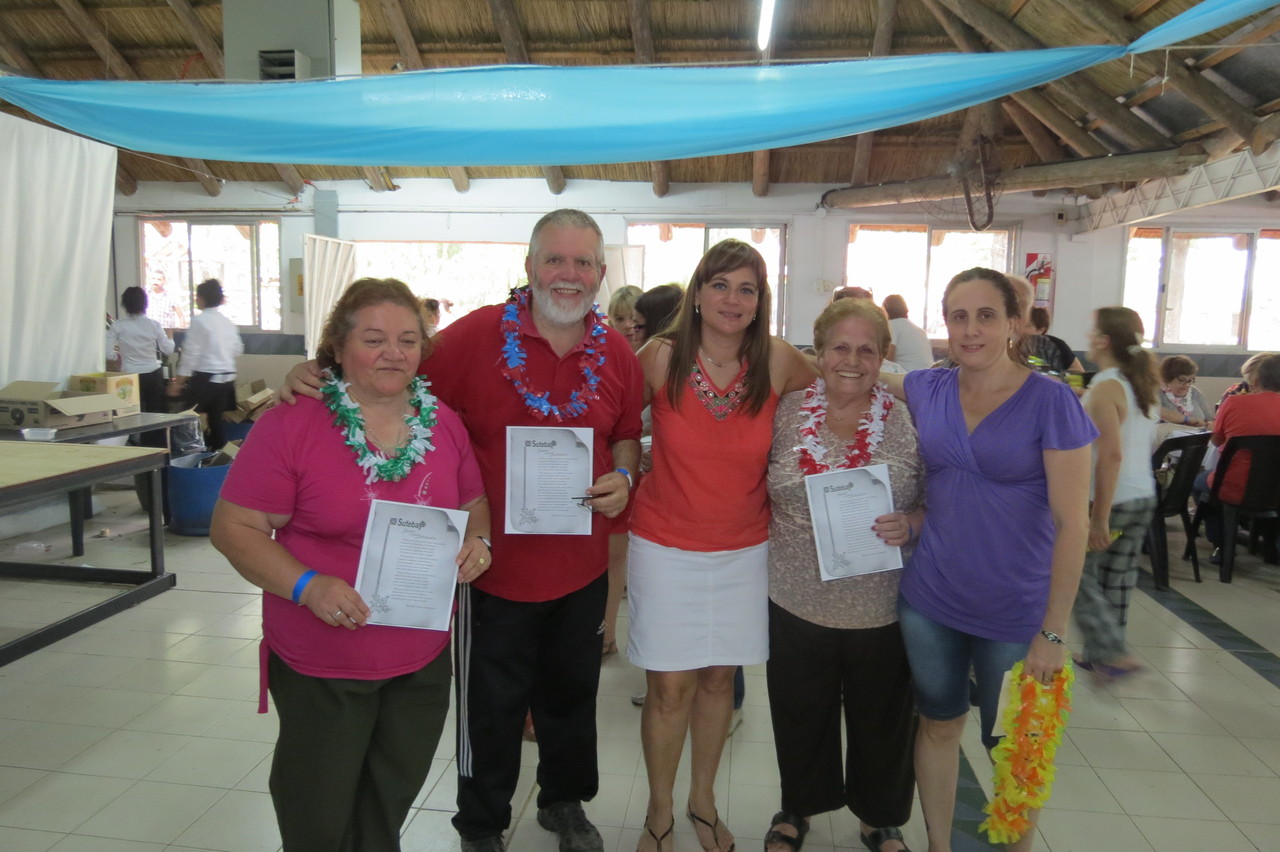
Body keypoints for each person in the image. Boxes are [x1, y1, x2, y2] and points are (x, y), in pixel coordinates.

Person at [283, 209, 644, 852]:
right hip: (489, 567)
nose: (568, 274)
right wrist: (314, 373)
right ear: (529, 266)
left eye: (583, 262)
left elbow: (624, 434)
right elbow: (387, 374)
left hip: (582, 565)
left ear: (600, 273)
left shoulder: (615, 351)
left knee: (572, 694)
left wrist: (623, 474)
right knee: (490, 706)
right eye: (554, 259)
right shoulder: (474, 337)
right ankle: (481, 824)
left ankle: (564, 802)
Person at [210, 277, 492, 851]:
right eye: (374, 339)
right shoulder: (293, 422)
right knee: (317, 810)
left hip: (418, 658)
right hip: (325, 659)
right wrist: (307, 585)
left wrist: (480, 543)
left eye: (408, 340)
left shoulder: (443, 423)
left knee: (388, 800)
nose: (394, 353)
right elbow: (233, 528)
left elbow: (474, 505)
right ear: (338, 347)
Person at [880, 267, 1095, 852]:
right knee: (938, 723)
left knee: (1014, 743)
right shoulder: (929, 387)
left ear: (1014, 323)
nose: (970, 330)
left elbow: (1073, 525)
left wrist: (1054, 630)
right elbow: (859, 370)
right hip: (931, 598)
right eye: (958, 317)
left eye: (985, 316)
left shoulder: (1051, 401)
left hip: (1015, 609)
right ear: (944, 325)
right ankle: (939, 845)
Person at [627, 239, 816, 852]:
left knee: (717, 681)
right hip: (664, 547)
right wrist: (625, 468)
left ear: (761, 301)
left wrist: (929, 384)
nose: (733, 300)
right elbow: (613, 421)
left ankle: (702, 802)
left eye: (747, 289)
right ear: (698, 294)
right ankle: (659, 812)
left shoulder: (778, 360)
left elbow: (844, 387)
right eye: (720, 285)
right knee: (669, 689)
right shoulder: (661, 357)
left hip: (744, 550)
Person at [763, 298, 924, 852]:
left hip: (881, 603)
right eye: (839, 348)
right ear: (818, 352)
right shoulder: (784, 411)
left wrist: (913, 521)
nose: (851, 361)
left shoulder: (906, 418)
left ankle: (879, 817)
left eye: (866, 350)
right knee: (799, 711)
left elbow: (942, 495)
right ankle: (798, 806)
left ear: (884, 357)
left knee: (883, 718)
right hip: (795, 597)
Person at [1071, 308, 1159, 680]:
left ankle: (1111, 653)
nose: (1088, 338)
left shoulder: (1106, 387)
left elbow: (1111, 455)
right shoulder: (1139, 384)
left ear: (1104, 340)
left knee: (1075, 574)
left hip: (1114, 499)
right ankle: (1104, 656)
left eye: (1092, 332)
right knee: (1117, 577)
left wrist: (1099, 518)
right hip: (1143, 495)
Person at [1192, 353, 1280, 558]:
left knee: (1199, 482)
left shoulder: (1234, 403)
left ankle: (1222, 545)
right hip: (1277, 490)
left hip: (1235, 488)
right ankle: (1271, 546)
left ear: (1256, 379)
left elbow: (1217, 440)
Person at [601, 283, 647, 656]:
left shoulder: (658, 359)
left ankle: (609, 634)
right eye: (621, 318)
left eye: (636, 319)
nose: (629, 326)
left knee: (622, 558)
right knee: (610, 555)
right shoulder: (604, 360)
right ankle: (605, 632)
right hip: (614, 470)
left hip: (647, 474)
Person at [168, 278, 244, 451]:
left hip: (206, 379)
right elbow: (238, 349)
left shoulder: (199, 321)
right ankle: (219, 455)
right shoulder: (227, 322)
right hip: (226, 380)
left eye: (197, 296)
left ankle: (185, 455)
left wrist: (178, 383)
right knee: (215, 420)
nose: (196, 299)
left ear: (202, 298)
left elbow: (190, 355)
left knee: (186, 418)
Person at [106, 285, 175, 435]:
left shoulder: (118, 325)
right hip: (152, 374)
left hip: (128, 376)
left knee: (129, 415)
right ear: (145, 303)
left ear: (125, 305)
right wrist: (170, 337)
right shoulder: (154, 325)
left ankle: (132, 442)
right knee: (155, 416)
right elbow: (168, 350)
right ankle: (154, 443)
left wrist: (117, 356)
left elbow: (107, 352)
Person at [1157, 355, 1214, 429]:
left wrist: (1210, 425)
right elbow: (1157, 413)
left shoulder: (1194, 392)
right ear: (1167, 379)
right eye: (1181, 380)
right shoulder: (1157, 393)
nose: (1187, 385)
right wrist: (1189, 419)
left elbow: (1209, 419)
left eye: (1190, 380)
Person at [882, 294, 933, 371]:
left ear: (885, 309)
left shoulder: (892, 325)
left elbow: (888, 357)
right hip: (928, 374)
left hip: (908, 374)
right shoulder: (919, 330)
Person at [1028, 306, 1083, 376]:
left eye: (1027, 326)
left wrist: (1056, 376)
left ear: (1041, 330)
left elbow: (1079, 372)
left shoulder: (1057, 345)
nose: (1020, 330)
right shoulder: (1016, 346)